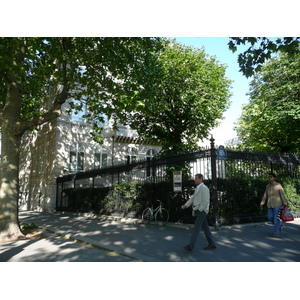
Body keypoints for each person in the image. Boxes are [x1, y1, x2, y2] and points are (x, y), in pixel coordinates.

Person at [181, 173, 216, 251]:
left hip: (201, 211)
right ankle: (212, 244)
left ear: (200, 179)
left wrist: (200, 209)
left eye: (196, 178)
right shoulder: (198, 188)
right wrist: (185, 205)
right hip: (199, 210)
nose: (195, 180)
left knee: (196, 229)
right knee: (206, 228)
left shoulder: (204, 188)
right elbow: (192, 198)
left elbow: (206, 201)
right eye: (195, 178)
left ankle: (190, 246)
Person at [260, 172, 287, 237]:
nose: (269, 178)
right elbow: (265, 195)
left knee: (276, 219)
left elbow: (282, 194)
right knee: (270, 217)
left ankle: (276, 232)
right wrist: (262, 202)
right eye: (269, 177)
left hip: (277, 204)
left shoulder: (278, 185)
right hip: (270, 204)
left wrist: (284, 203)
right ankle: (280, 225)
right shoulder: (268, 186)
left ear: (274, 178)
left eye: (271, 177)